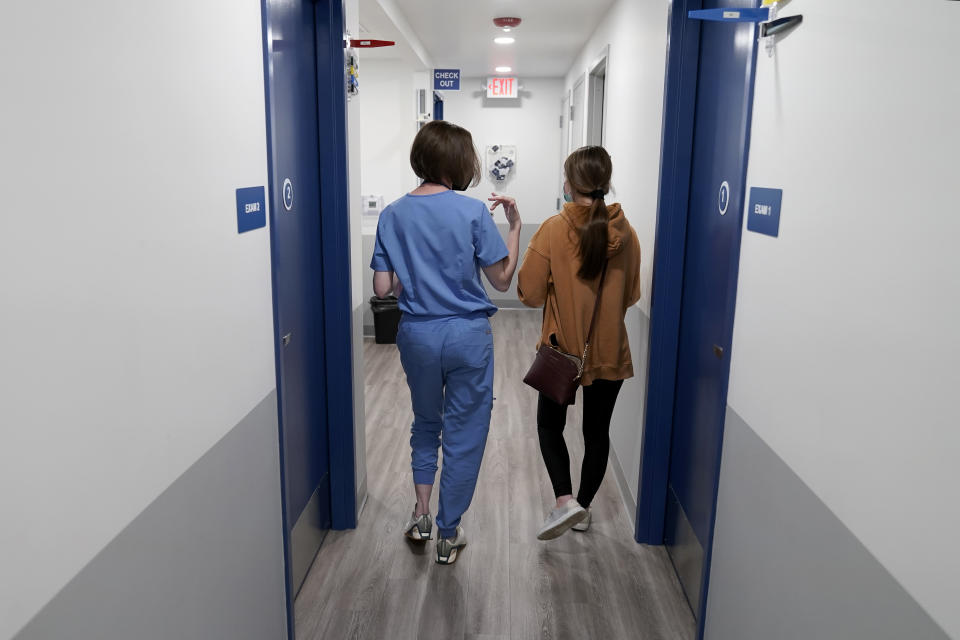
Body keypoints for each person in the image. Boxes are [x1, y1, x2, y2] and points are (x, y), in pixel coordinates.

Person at [370, 120, 522, 564]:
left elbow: (382, 289)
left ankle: (420, 514)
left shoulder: (392, 214)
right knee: (465, 431)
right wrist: (513, 228)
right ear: (459, 162)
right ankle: (448, 532)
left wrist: (412, 272)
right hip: (466, 337)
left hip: (417, 335)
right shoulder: (473, 212)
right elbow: (501, 278)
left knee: (425, 422)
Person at [517, 146, 642, 540]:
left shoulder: (554, 229)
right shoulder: (626, 232)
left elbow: (531, 292)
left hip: (563, 351)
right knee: (597, 433)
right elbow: (631, 294)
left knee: (548, 425)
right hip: (610, 351)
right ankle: (584, 510)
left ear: (570, 184)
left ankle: (564, 500)